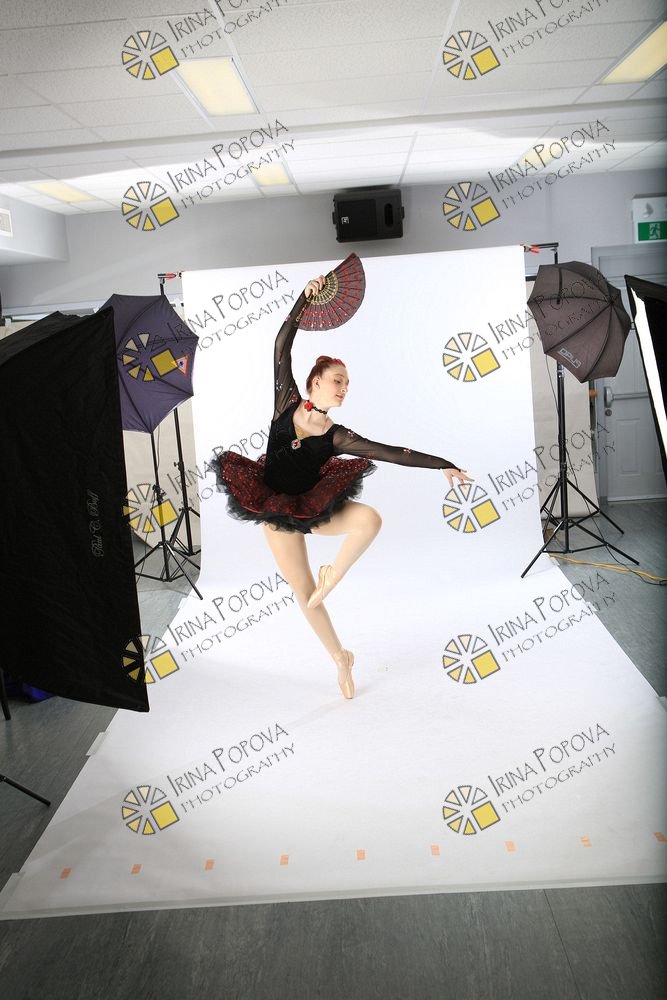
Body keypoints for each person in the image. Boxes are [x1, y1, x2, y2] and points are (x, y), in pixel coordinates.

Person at [212, 274, 472, 699]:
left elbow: (392, 452)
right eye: (338, 380)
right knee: (304, 593)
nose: (344, 388)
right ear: (315, 381)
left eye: (347, 383)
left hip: (311, 506)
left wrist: (442, 463)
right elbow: (281, 345)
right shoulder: (285, 401)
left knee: (370, 520)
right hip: (274, 507)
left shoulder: (337, 435)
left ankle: (333, 576)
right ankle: (340, 658)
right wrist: (303, 300)